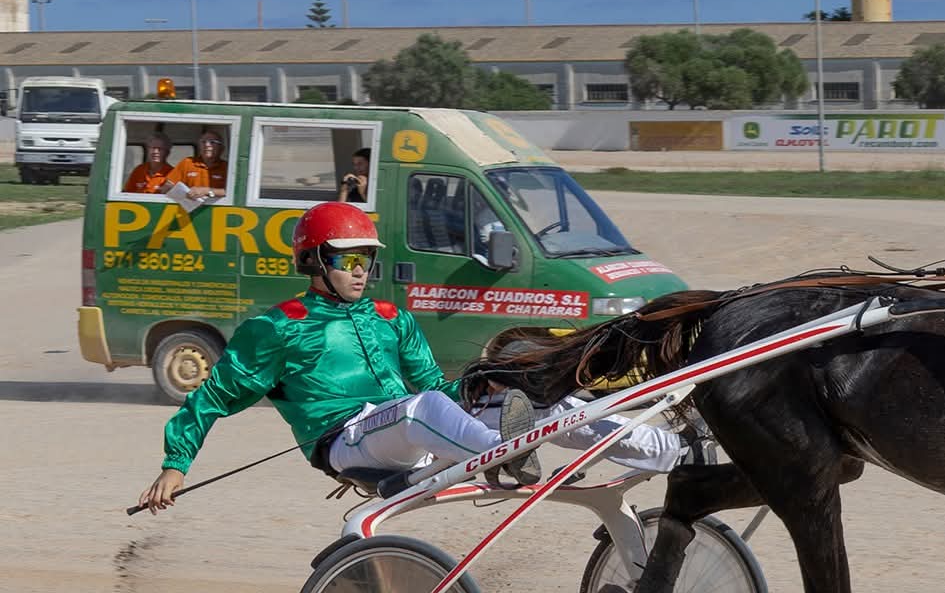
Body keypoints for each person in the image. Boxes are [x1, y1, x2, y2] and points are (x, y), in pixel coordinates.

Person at [136, 202, 685, 514]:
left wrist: (481, 397)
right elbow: (212, 397)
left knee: (553, 402)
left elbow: (434, 387)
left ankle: (677, 454)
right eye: (348, 259)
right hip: (346, 444)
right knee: (420, 409)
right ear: (315, 261)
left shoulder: (390, 317)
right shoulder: (276, 327)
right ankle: (507, 455)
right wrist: (175, 463)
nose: (361, 270)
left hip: (417, 429)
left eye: (366, 259)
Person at [165, 128, 229, 201]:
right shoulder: (187, 162)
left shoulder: (227, 168)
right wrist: (186, 194)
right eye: (203, 142)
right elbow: (167, 186)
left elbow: (233, 193)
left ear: (222, 148)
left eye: (212, 142)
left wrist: (207, 191)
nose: (207, 145)